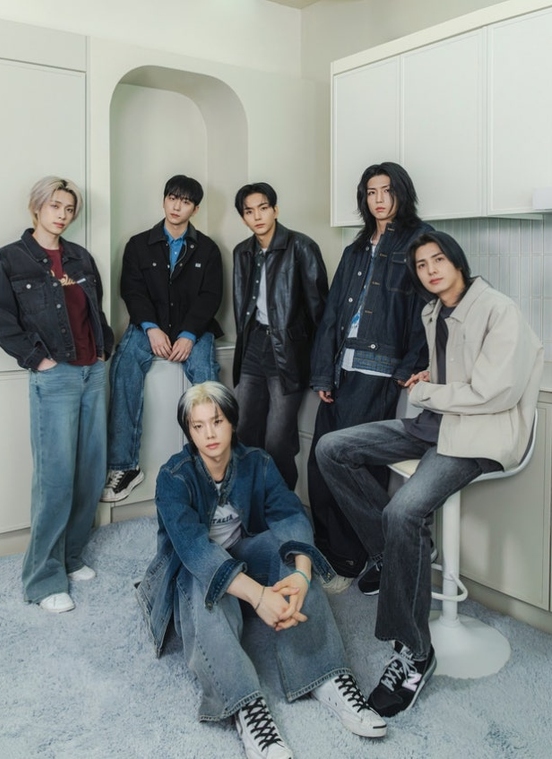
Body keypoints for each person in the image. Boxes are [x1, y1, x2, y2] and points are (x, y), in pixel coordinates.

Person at [316, 230, 543, 717]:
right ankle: (394, 553)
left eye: (438, 259)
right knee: (332, 448)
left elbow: (493, 393)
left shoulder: (498, 310)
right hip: (436, 425)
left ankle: (415, 654)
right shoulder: (434, 311)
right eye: (421, 265)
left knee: (403, 513)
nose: (430, 270)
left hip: (477, 435)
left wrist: (425, 393)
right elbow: (456, 374)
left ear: (456, 261)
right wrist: (429, 381)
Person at [136, 381, 387, 759]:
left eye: (217, 421)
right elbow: (194, 549)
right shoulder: (174, 477)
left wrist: (301, 575)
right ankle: (246, 704)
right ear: (189, 431)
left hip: (242, 555)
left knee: (287, 552)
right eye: (198, 426)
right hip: (192, 569)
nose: (209, 434)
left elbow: (290, 515)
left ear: (231, 422)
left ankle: (327, 675)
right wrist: (259, 597)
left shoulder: (257, 462)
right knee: (201, 577)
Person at [0, 176, 114, 613]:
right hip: (54, 377)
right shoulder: (8, 260)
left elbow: (95, 311)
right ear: (37, 207)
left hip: (92, 372)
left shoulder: (80, 257)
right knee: (55, 479)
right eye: (55, 205)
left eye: (69, 208)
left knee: (89, 473)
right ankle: (42, 579)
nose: (62, 214)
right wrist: (38, 360)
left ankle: (71, 557)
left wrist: (103, 350)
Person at [308, 162, 433, 593]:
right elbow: (332, 314)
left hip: (378, 370)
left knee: (350, 464)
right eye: (371, 192)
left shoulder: (419, 242)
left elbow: (428, 309)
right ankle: (331, 548)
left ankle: (354, 556)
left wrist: (408, 366)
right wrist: (323, 371)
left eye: (387, 190)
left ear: (402, 193)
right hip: (341, 366)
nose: (379, 200)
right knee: (320, 463)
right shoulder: (357, 248)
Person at [101, 175, 223, 502]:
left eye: (185, 201)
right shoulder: (138, 245)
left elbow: (210, 296)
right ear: (164, 200)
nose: (176, 206)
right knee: (124, 367)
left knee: (207, 380)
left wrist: (189, 334)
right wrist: (150, 328)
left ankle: (211, 462)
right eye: (172, 198)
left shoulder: (208, 249)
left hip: (193, 328)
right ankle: (124, 466)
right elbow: (132, 291)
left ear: (195, 208)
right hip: (148, 326)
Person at [232, 182, 328, 490]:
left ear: (275, 209)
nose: (257, 216)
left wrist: (322, 366)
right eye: (249, 212)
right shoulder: (242, 252)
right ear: (243, 218)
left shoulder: (302, 247)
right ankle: (251, 500)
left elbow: (319, 311)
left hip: (288, 349)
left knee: (277, 439)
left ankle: (283, 503)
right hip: (253, 344)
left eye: (263, 208)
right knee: (243, 430)